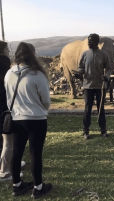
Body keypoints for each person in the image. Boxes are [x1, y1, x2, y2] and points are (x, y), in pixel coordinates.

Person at [4, 42, 52, 198]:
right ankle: (38, 187)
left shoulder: (9, 73)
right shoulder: (37, 75)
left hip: (17, 118)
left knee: (17, 152)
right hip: (36, 119)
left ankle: (17, 185)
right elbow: (46, 100)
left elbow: (8, 97)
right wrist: (42, 108)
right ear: (33, 55)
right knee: (35, 154)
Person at [73, 33, 113, 140]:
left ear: (96, 42)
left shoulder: (103, 55)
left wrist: (107, 76)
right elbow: (81, 68)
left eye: (90, 40)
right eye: (88, 40)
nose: (88, 42)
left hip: (100, 86)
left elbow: (109, 68)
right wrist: (78, 73)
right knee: (87, 109)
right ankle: (86, 131)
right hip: (88, 86)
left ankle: (103, 130)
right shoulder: (85, 54)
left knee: (101, 108)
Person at [0, 41, 26, 181]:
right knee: (8, 141)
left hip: (4, 108)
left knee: (8, 141)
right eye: (6, 49)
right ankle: (4, 172)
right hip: (5, 110)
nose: (8, 52)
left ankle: (10, 163)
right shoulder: (4, 63)